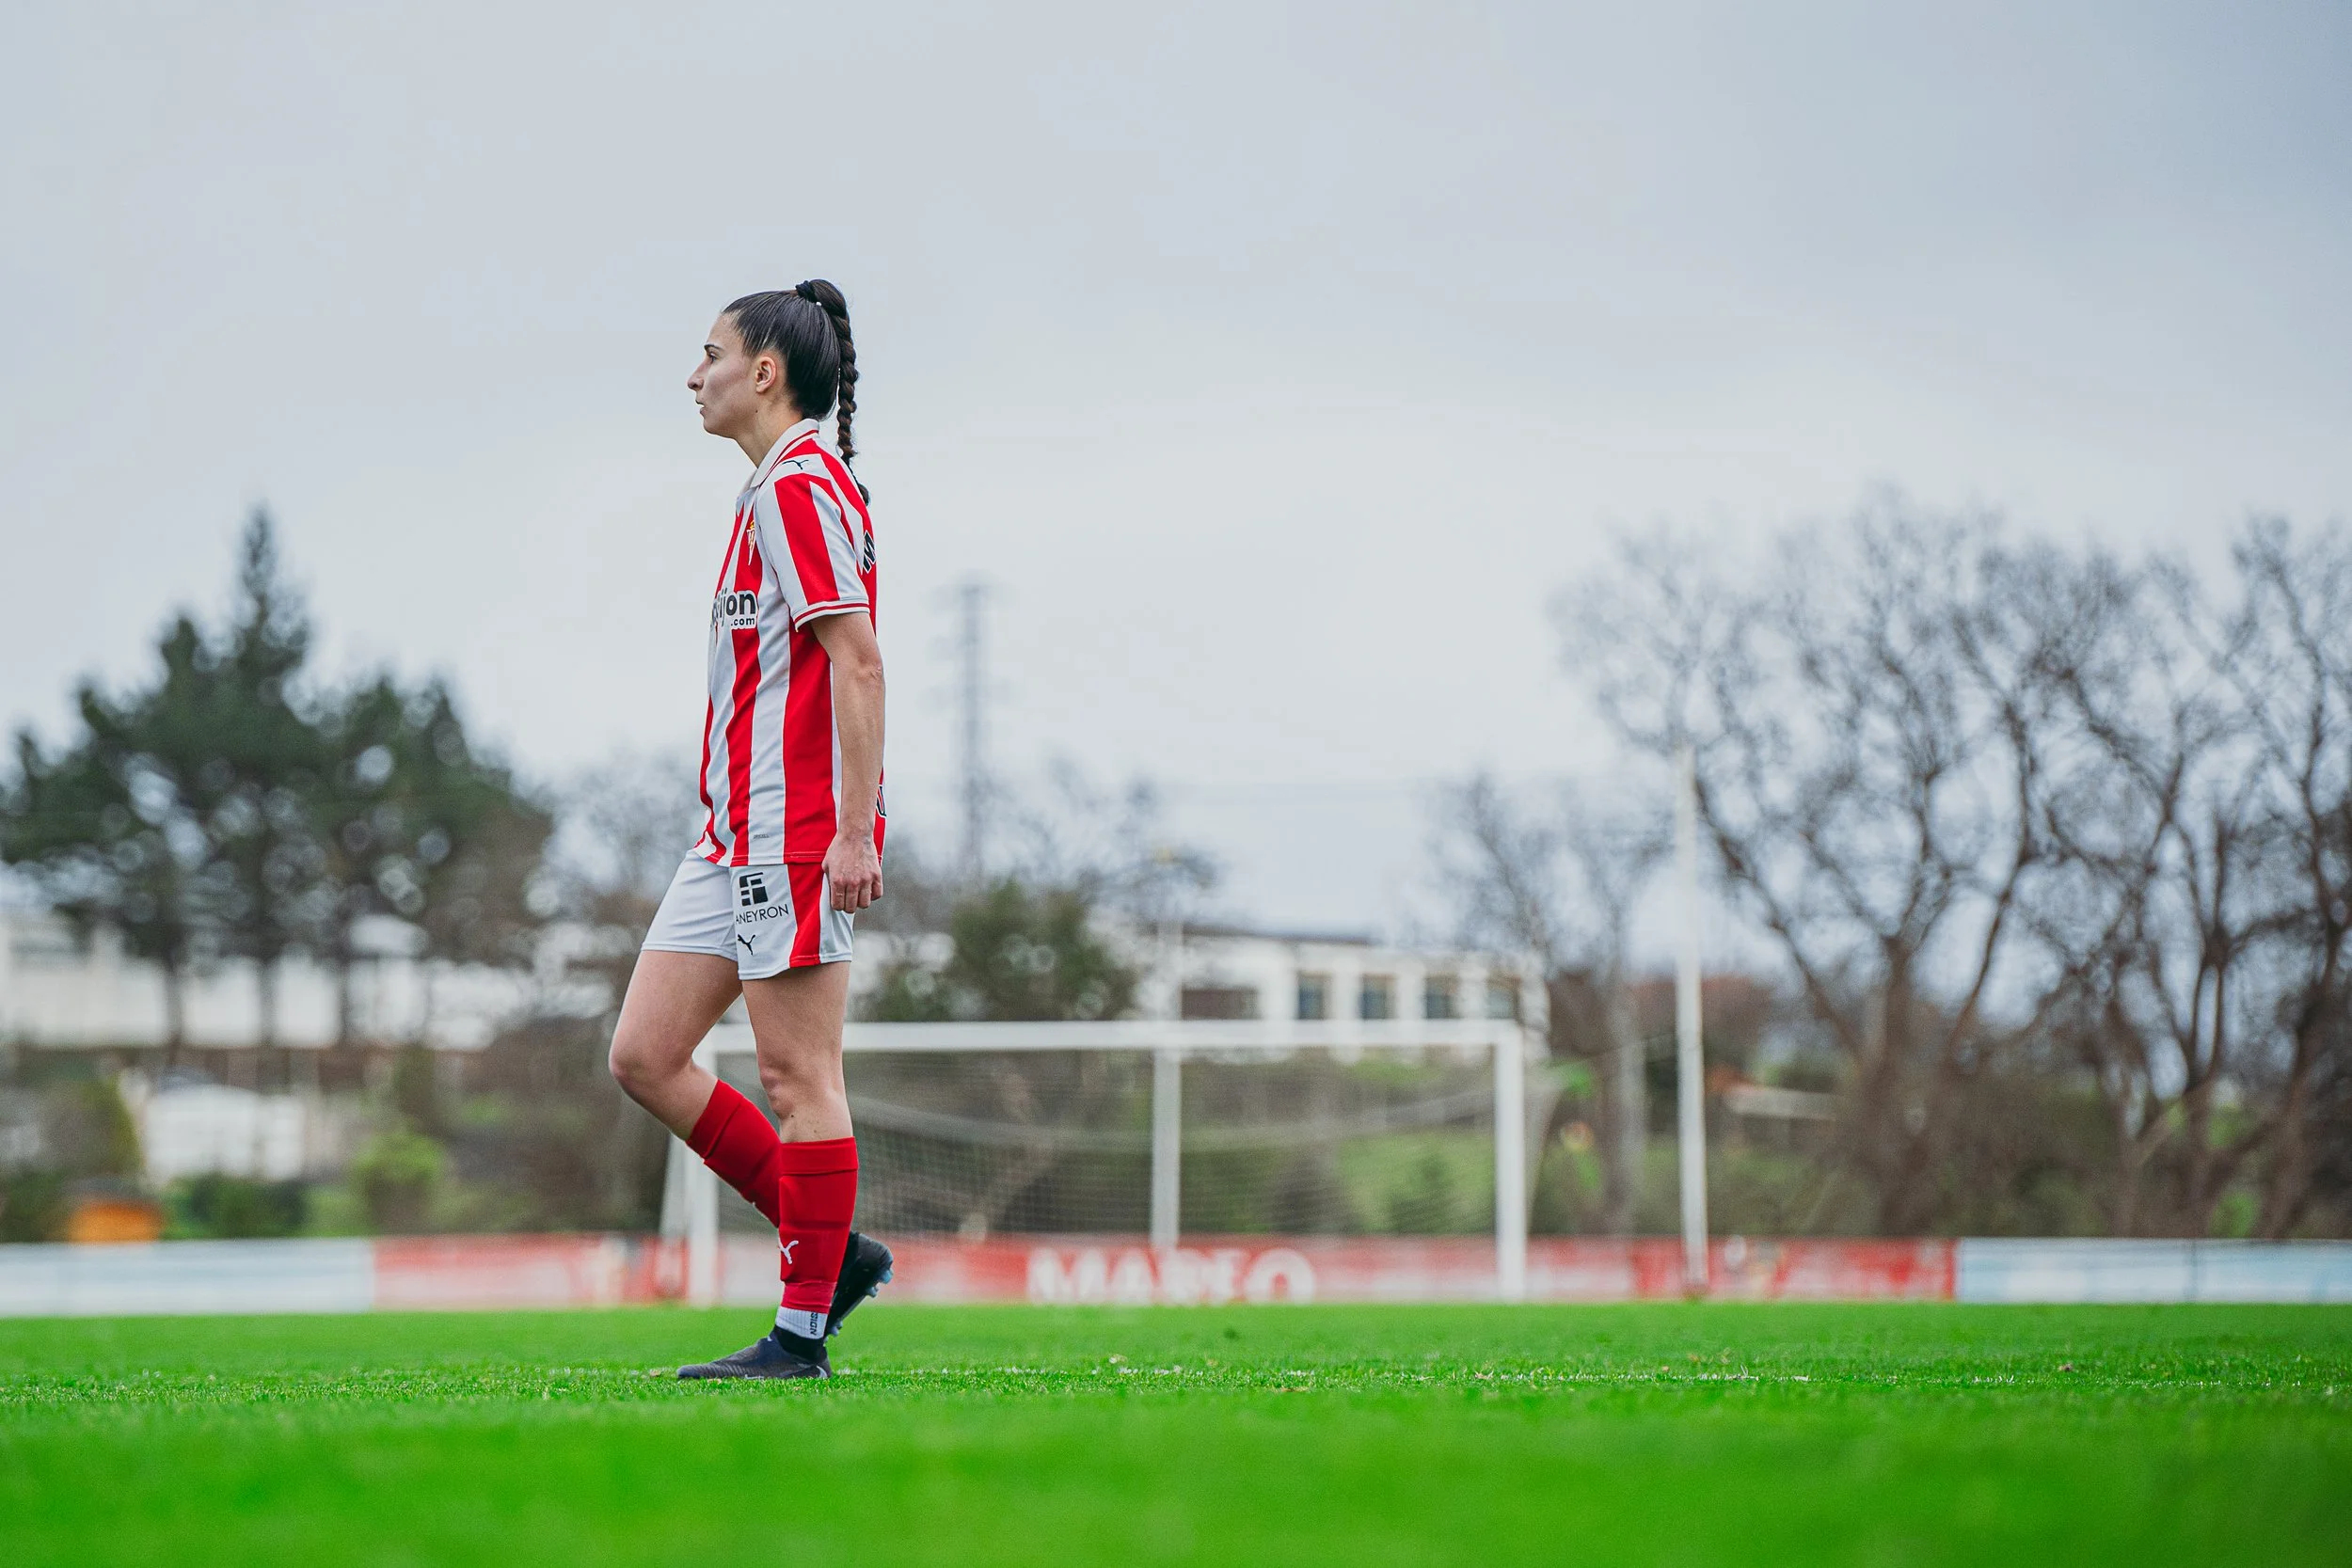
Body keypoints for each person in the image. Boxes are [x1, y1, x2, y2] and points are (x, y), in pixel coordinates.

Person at [608, 281, 892, 1380]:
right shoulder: (768, 491)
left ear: (764, 372)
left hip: (794, 832)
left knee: (797, 1076)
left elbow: (858, 661)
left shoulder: (800, 487)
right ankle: (833, 1250)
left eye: (711, 353)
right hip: (727, 832)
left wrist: (854, 831)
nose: (695, 373)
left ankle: (801, 1332)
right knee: (643, 1053)